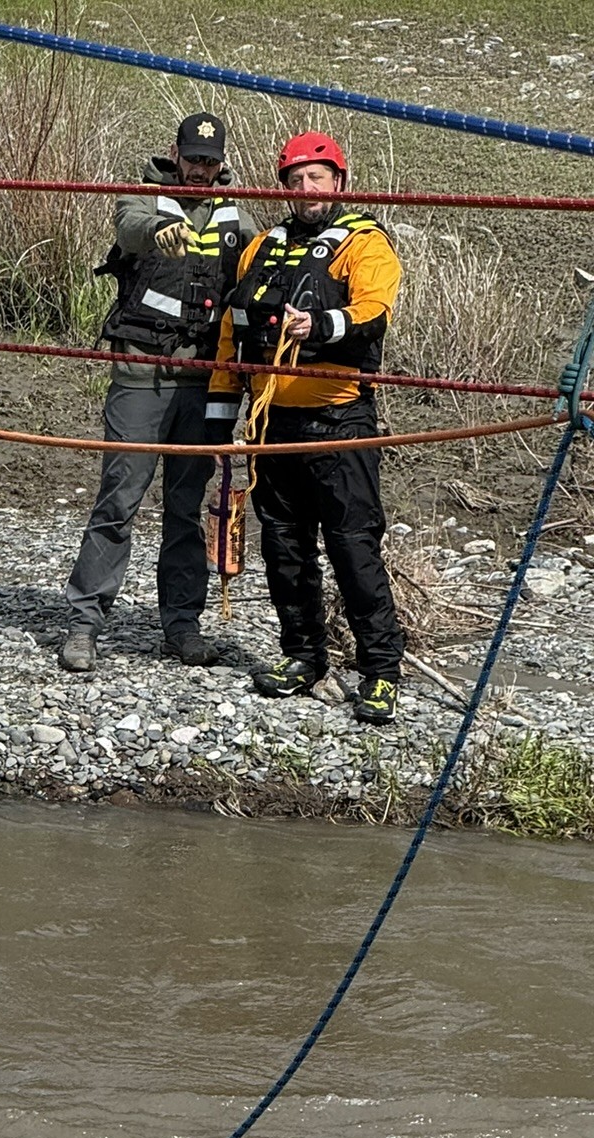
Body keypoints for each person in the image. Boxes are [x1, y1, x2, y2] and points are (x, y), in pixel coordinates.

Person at [208, 130, 406, 725]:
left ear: (339, 182)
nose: (306, 188)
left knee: (353, 548)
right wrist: (222, 419)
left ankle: (381, 671)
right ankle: (302, 656)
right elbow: (229, 333)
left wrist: (319, 325)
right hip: (271, 423)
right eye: (295, 179)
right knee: (284, 548)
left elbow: (375, 310)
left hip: (340, 419)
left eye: (317, 177)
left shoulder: (365, 244)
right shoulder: (261, 247)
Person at [59, 111, 249, 675]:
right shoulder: (142, 199)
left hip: (204, 381)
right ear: (176, 154)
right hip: (142, 373)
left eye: (210, 162)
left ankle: (182, 626)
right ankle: (85, 623)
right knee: (118, 500)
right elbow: (130, 229)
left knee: (186, 509)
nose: (200, 169)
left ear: (221, 166)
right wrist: (158, 234)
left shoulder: (240, 215)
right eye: (193, 159)